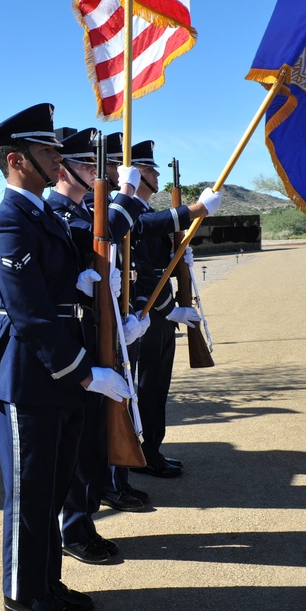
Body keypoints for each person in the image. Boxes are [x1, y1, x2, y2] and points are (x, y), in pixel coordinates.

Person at [0, 104, 130, 611]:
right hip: (29, 375)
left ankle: (46, 580)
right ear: (17, 159)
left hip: (59, 374)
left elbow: (56, 286)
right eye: (46, 151)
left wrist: (85, 283)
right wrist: (87, 372)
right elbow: (31, 316)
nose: (57, 158)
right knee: (29, 492)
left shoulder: (41, 215)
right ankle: (23, 591)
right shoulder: (8, 224)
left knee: (51, 485)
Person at [46, 128, 147, 564]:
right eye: (88, 165)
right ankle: (74, 528)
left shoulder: (80, 210)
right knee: (76, 446)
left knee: (89, 445)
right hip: (74, 344)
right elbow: (111, 230)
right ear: (64, 169)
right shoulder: (57, 213)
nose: (95, 171)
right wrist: (126, 191)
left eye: (95, 164)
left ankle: (82, 523)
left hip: (96, 334)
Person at [128, 140, 222, 475]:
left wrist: (175, 258)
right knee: (148, 387)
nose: (155, 175)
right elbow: (144, 274)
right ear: (138, 174)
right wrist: (169, 310)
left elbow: (157, 264)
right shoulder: (134, 214)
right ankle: (144, 452)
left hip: (156, 317)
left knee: (156, 386)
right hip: (148, 317)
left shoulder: (144, 213)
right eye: (150, 170)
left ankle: (151, 448)